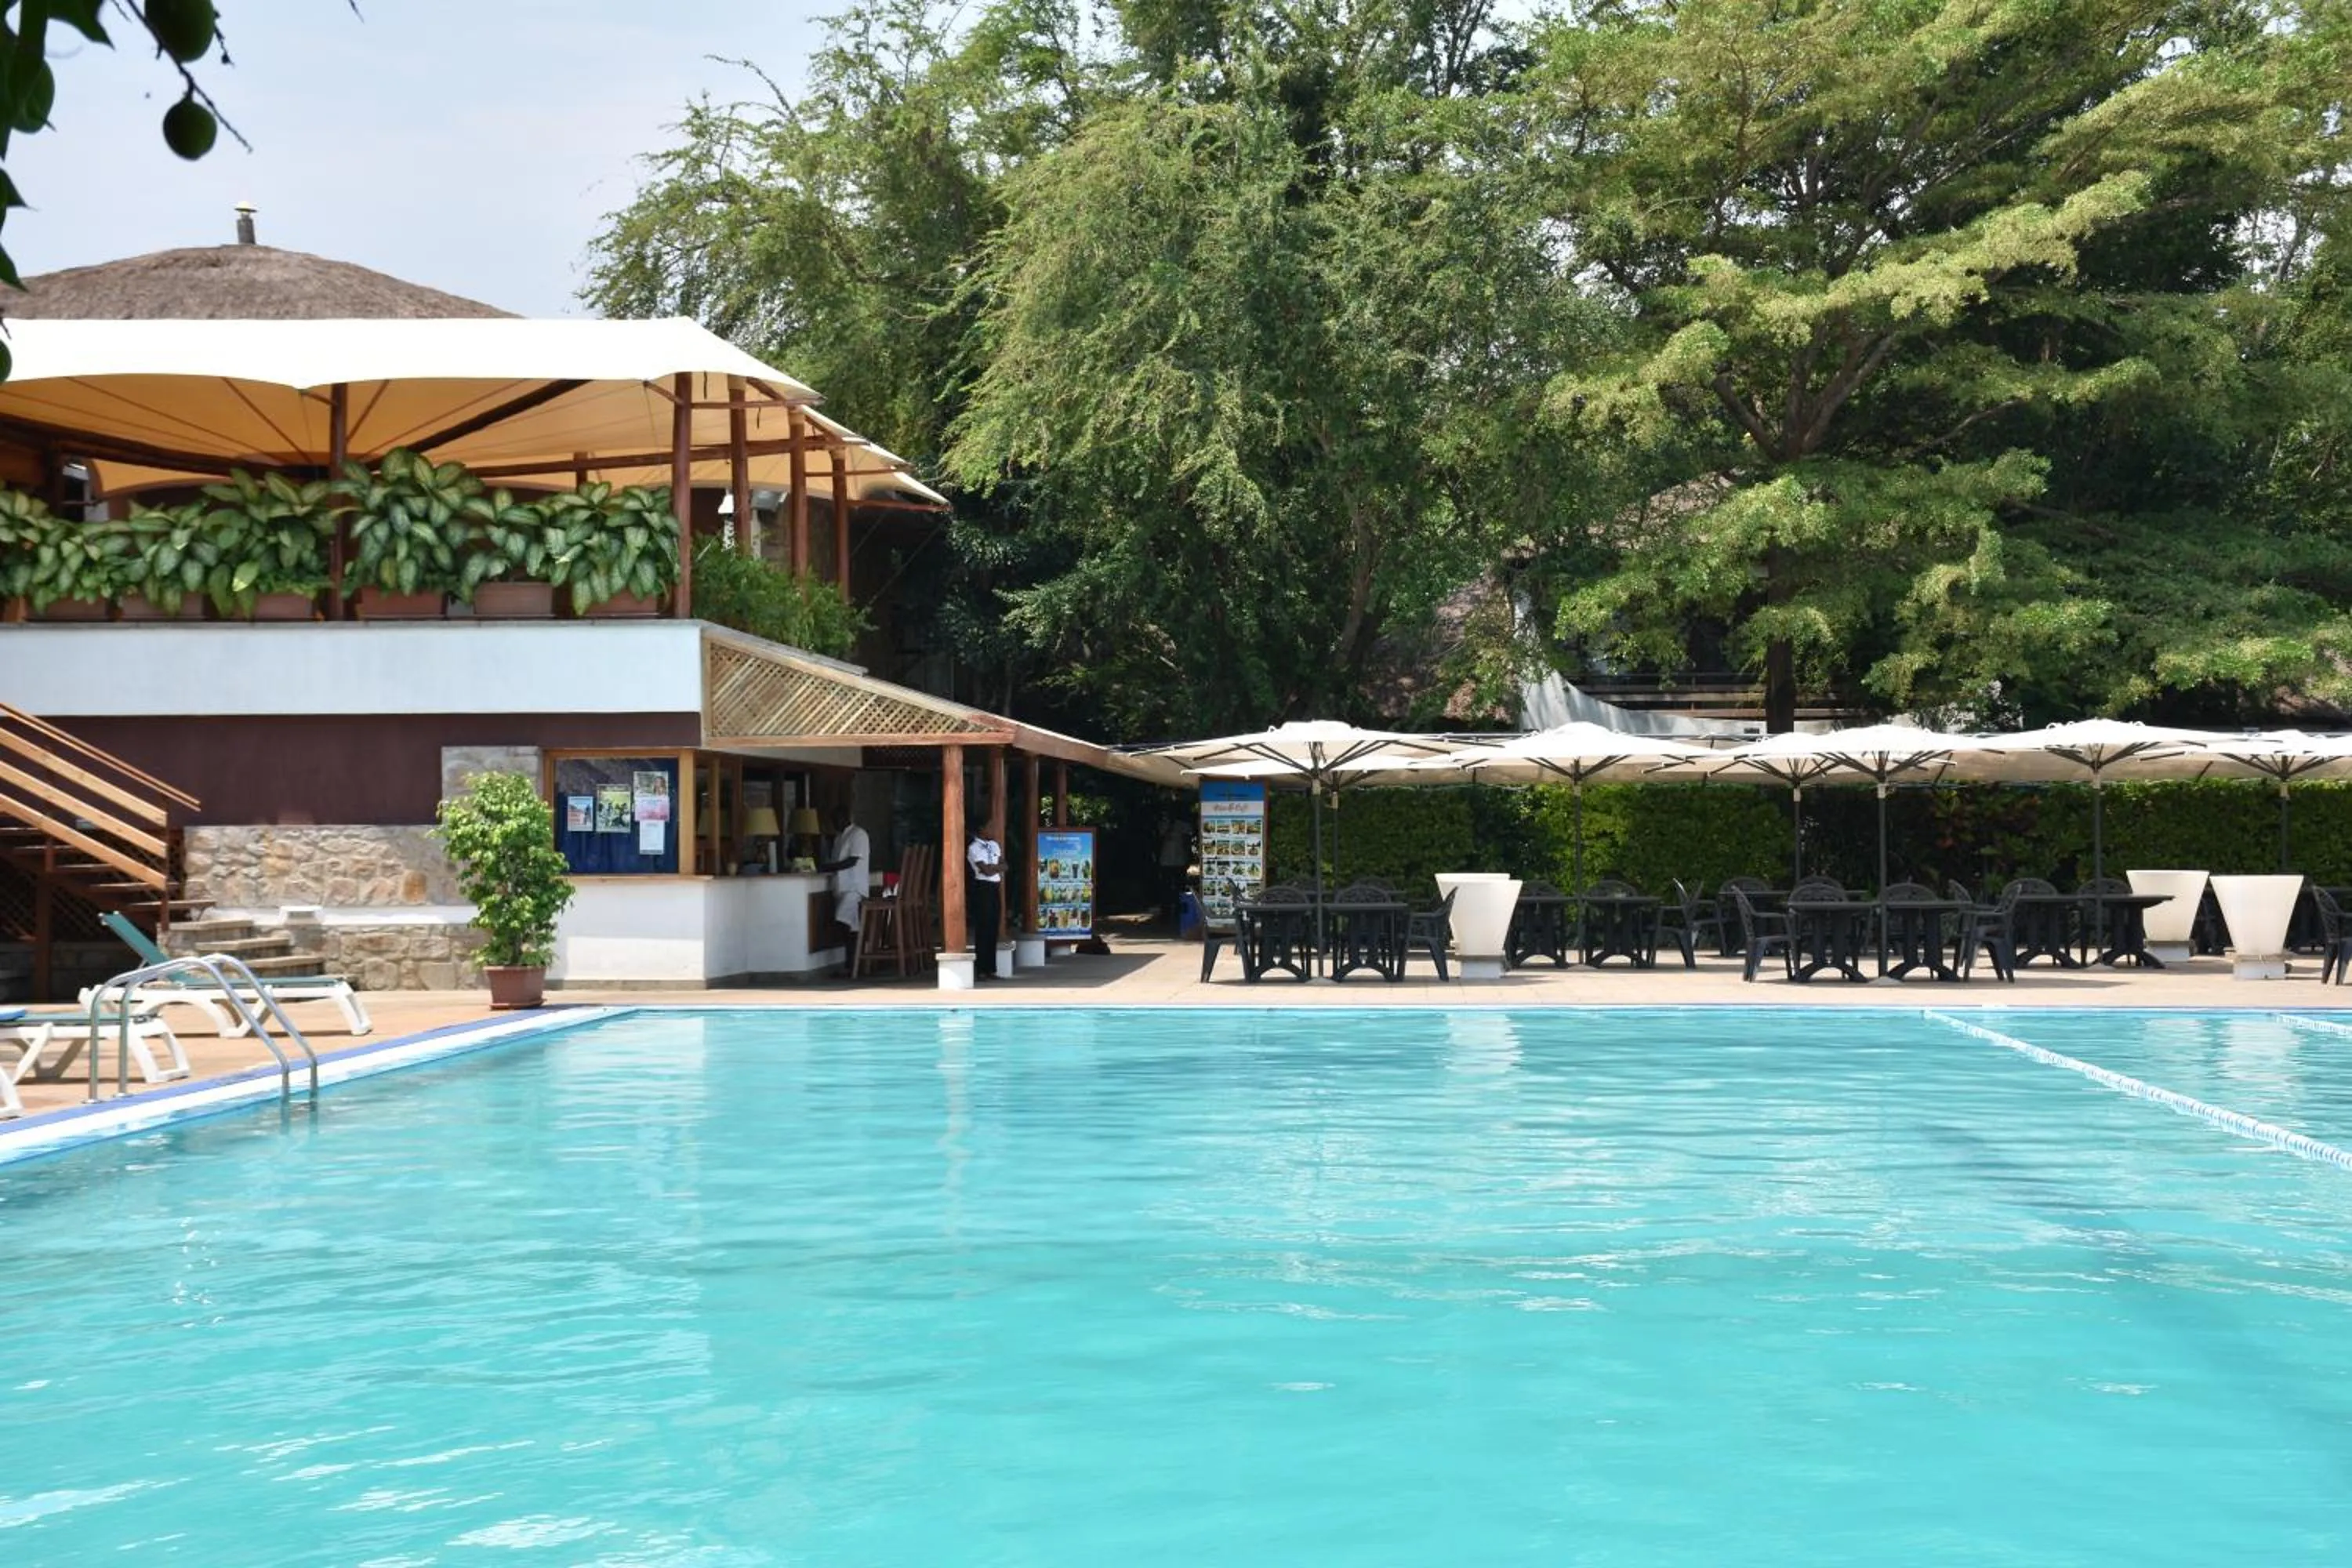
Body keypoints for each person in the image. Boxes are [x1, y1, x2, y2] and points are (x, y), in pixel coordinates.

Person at [818, 814, 870, 978]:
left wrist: (828, 868)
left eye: (836, 821)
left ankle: (854, 963)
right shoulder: (839, 838)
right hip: (842, 888)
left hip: (854, 888)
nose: (835, 825)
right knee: (850, 926)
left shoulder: (858, 834)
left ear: (845, 819)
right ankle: (852, 965)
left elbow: (852, 861)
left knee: (843, 920)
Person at [968, 825, 1004, 979]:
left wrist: (993, 867)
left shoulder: (994, 845)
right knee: (983, 927)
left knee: (993, 927)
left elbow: (1005, 865)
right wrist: (995, 868)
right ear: (982, 830)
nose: (993, 830)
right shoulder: (974, 847)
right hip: (982, 887)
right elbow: (986, 871)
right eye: (990, 827)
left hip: (995, 886)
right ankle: (981, 969)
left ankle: (991, 969)